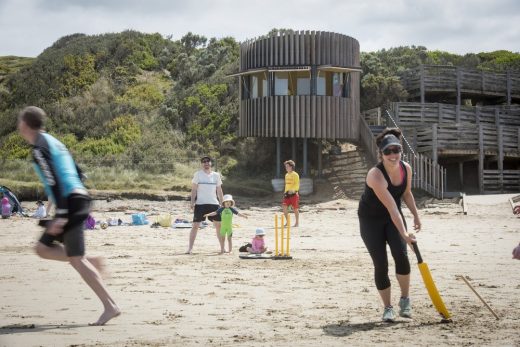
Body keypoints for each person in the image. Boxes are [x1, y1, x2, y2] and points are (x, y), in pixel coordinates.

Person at [17, 106, 120, 326]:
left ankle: (110, 306)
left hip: (70, 203)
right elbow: (79, 171)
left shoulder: (39, 149)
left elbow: (53, 179)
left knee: (75, 258)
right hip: (78, 198)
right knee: (43, 249)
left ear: (25, 125)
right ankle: (91, 261)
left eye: (19, 122)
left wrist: (62, 214)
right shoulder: (54, 142)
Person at [357, 128, 420, 323]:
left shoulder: (406, 168)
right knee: (381, 264)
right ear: (381, 154)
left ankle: (405, 299)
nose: (393, 155)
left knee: (401, 255)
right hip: (371, 220)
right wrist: (405, 234)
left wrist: (416, 216)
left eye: (396, 150)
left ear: (401, 151)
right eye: (388, 151)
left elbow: (406, 193)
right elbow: (393, 209)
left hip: (392, 216)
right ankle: (388, 308)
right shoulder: (375, 175)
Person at [187, 156, 224, 254]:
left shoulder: (216, 175)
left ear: (211, 163)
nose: (206, 163)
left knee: (218, 225)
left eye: (208, 161)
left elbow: (219, 190)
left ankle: (222, 248)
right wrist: (192, 202)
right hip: (200, 204)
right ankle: (190, 248)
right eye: (204, 161)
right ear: (201, 164)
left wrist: (223, 203)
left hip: (214, 204)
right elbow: (194, 189)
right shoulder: (198, 174)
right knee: (195, 225)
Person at [282, 159, 300, 227]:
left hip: (294, 194)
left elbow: (297, 184)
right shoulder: (286, 175)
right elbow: (286, 185)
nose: (286, 168)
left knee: (295, 208)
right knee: (284, 206)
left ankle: (297, 222)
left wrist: (293, 190)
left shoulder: (295, 175)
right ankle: (288, 222)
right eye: (285, 167)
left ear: (291, 167)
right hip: (287, 194)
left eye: (287, 166)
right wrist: (285, 192)